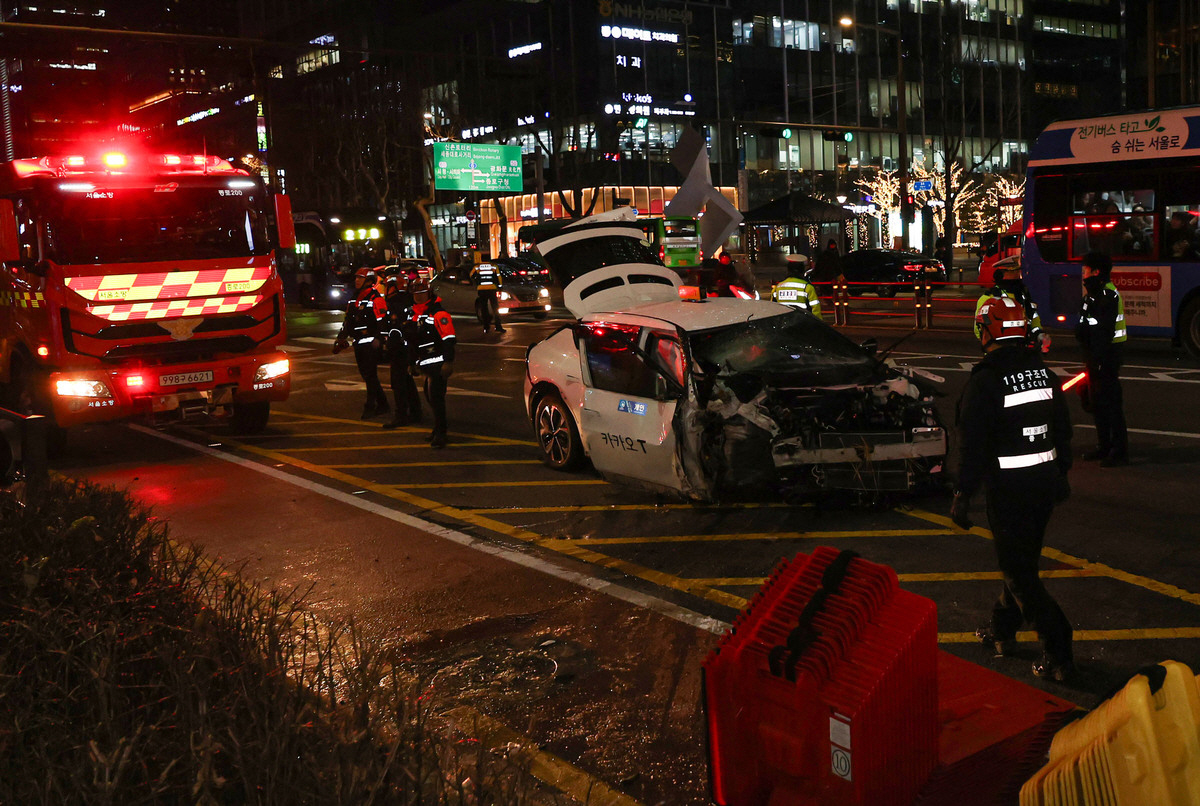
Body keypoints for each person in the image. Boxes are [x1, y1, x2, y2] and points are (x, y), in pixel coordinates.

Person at [952, 293, 1074, 682]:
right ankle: (1002, 630)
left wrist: (962, 495)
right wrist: (1061, 477)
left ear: (984, 330)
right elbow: (1064, 433)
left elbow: (973, 446)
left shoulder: (986, 381)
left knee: (1018, 572)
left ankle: (1059, 648)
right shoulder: (1044, 373)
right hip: (1044, 488)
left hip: (1009, 492)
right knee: (1022, 563)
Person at [1075, 252, 1128, 467]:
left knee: (1111, 404)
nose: (1083, 274)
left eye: (1085, 270)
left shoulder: (1108, 295)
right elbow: (1083, 329)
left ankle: (1119, 451)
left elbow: (1102, 331)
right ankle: (1104, 445)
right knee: (1097, 402)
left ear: (1096, 272)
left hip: (1107, 356)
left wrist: (1098, 358)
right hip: (1095, 356)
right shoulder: (1093, 294)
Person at [334, 266, 390, 420]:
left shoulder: (376, 299)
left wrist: (380, 340)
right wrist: (341, 338)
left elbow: (383, 321)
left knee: (370, 376)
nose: (356, 280)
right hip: (358, 342)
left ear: (370, 281)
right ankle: (383, 403)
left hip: (370, 343)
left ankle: (370, 407)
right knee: (367, 376)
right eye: (356, 277)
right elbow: (348, 321)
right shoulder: (354, 298)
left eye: (360, 278)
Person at [410, 278, 456, 449]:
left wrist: (448, 362)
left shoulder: (439, 314)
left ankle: (441, 433)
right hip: (426, 364)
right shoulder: (417, 314)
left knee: (436, 399)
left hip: (438, 364)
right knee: (431, 398)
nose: (418, 297)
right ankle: (437, 429)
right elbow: (415, 341)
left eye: (421, 293)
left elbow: (449, 338)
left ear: (428, 293)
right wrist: (414, 362)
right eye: (415, 294)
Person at [973, 256, 1050, 352]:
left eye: (1018, 271)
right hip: (998, 355)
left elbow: (1033, 317)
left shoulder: (1023, 295)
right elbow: (979, 329)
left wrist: (1039, 334)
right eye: (1013, 272)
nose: (1018, 275)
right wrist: (997, 346)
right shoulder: (989, 298)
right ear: (1001, 275)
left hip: (1024, 351)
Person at [380, 269, 423, 430]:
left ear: (395, 288)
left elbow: (398, 329)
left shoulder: (399, 304)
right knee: (406, 381)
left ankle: (401, 415)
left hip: (401, 349)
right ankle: (415, 412)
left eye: (388, 287)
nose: (385, 290)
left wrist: (390, 343)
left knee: (399, 383)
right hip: (402, 348)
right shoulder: (401, 302)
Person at [470, 260, 505, 333]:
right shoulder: (493, 266)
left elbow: (471, 275)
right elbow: (499, 277)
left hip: (481, 290)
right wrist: (500, 287)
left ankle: (486, 327)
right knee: (495, 308)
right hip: (492, 289)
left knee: (484, 309)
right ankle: (498, 326)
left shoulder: (477, 267)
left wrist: (477, 282)